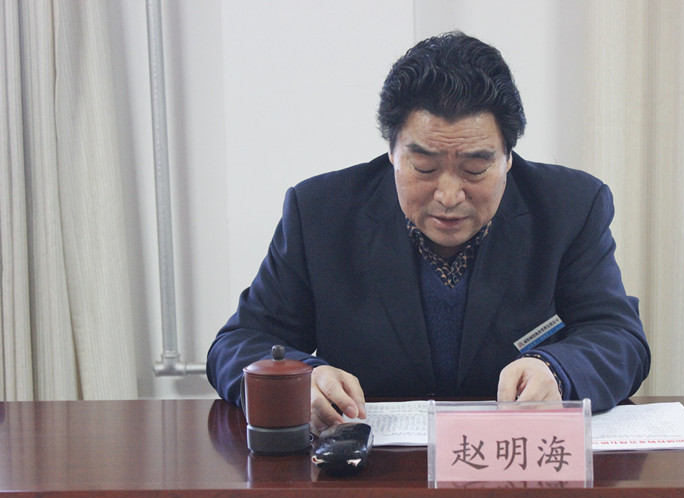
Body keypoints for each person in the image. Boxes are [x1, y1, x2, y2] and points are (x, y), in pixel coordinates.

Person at [207, 32, 650, 435]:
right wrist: (301, 379)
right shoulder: (320, 214)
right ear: (392, 153)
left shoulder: (569, 207)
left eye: (475, 169)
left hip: (516, 469)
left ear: (508, 158)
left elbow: (617, 336)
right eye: (424, 167)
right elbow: (238, 343)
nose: (449, 195)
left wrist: (557, 371)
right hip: (371, 477)